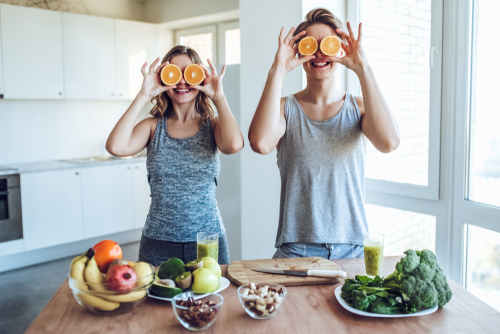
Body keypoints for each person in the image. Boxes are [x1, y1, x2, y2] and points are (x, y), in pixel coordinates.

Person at [248, 8, 400, 260]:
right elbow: (260, 143)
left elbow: (389, 142)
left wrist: (363, 67)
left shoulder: (359, 108)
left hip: (353, 249)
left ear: (340, 49)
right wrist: (279, 68)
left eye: (326, 45)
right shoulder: (285, 109)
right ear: (299, 52)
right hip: (295, 250)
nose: (318, 53)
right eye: (310, 45)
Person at [106, 45, 244, 265]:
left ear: (201, 77)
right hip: (158, 242)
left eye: (189, 73)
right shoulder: (152, 127)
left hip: (206, 242)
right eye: (173, 74)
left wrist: (219, 96)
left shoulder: (213, 125)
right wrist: (144, 94)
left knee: (213, 300)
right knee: (155, 300)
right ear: (163, 79)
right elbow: (116, 147)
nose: (181, 82)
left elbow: (234, 144)